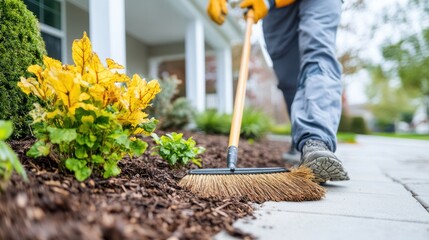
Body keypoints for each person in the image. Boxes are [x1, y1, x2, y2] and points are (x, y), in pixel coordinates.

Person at [207, 0, 349, 183]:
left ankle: (314, 141)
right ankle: (300, 138)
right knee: (289, 77)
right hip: (276, 12)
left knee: (317, 56)